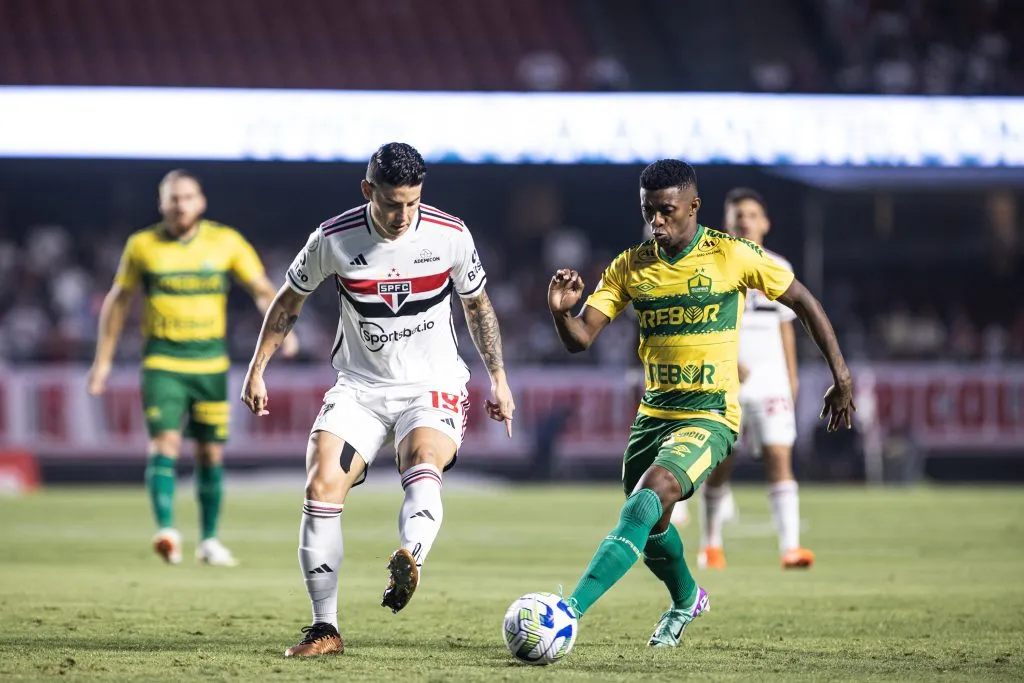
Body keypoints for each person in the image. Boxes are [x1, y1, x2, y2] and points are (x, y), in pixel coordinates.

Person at [546, 160, 854, 648]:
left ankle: (566, 613)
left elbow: (802, 299)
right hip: (653, 417)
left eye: (667, 211)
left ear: (694, 207)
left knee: (646, 501)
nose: (657, 222)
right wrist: (562, 314)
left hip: (710, 414)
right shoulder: (630, 266)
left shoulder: (732, 254)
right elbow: (581, 338)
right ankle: (686, 598)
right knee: (651, 528)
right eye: (649, 212)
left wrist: (841, 374)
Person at [240, 142, 516, 657]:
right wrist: (257, 370)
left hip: (431, 384)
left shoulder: (450, 234)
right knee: (321, 484)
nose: (402, 215)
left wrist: (498, 378)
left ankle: (409, 558)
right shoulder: (333, 238)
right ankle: (325, 628)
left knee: (423, 460)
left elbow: (478, 306)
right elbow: (288, 302)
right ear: (368, 191)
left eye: (412, 203)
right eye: (392, 204)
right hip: (360, 388)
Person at [87, 169, 298, 566]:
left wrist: (286, 333)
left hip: (210, 365)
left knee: (210, 454)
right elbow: (117, 302)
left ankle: (210, 541)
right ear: (161, 204)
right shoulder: (142, 246)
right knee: (164, 445)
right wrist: (102, 363)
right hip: (162, 363)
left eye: (187, 197)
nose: (180, 204)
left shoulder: (226, 242)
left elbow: (264, 290)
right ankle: (167, 531)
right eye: (173, 198)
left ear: (200, 202)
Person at [672, 187, 815, 570]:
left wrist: (792, 378)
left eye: (753, 214)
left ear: (765, 222)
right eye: (738, 215)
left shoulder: (778, 266)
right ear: (727, 222)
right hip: (723, 380)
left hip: (771, 380)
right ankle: (712, 546)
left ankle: (791, 548)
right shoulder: (712, 264)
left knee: (779, 457)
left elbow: (788, 327)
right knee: (720, 462)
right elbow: (698, 324)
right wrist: (725, 359)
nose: (746, 221)